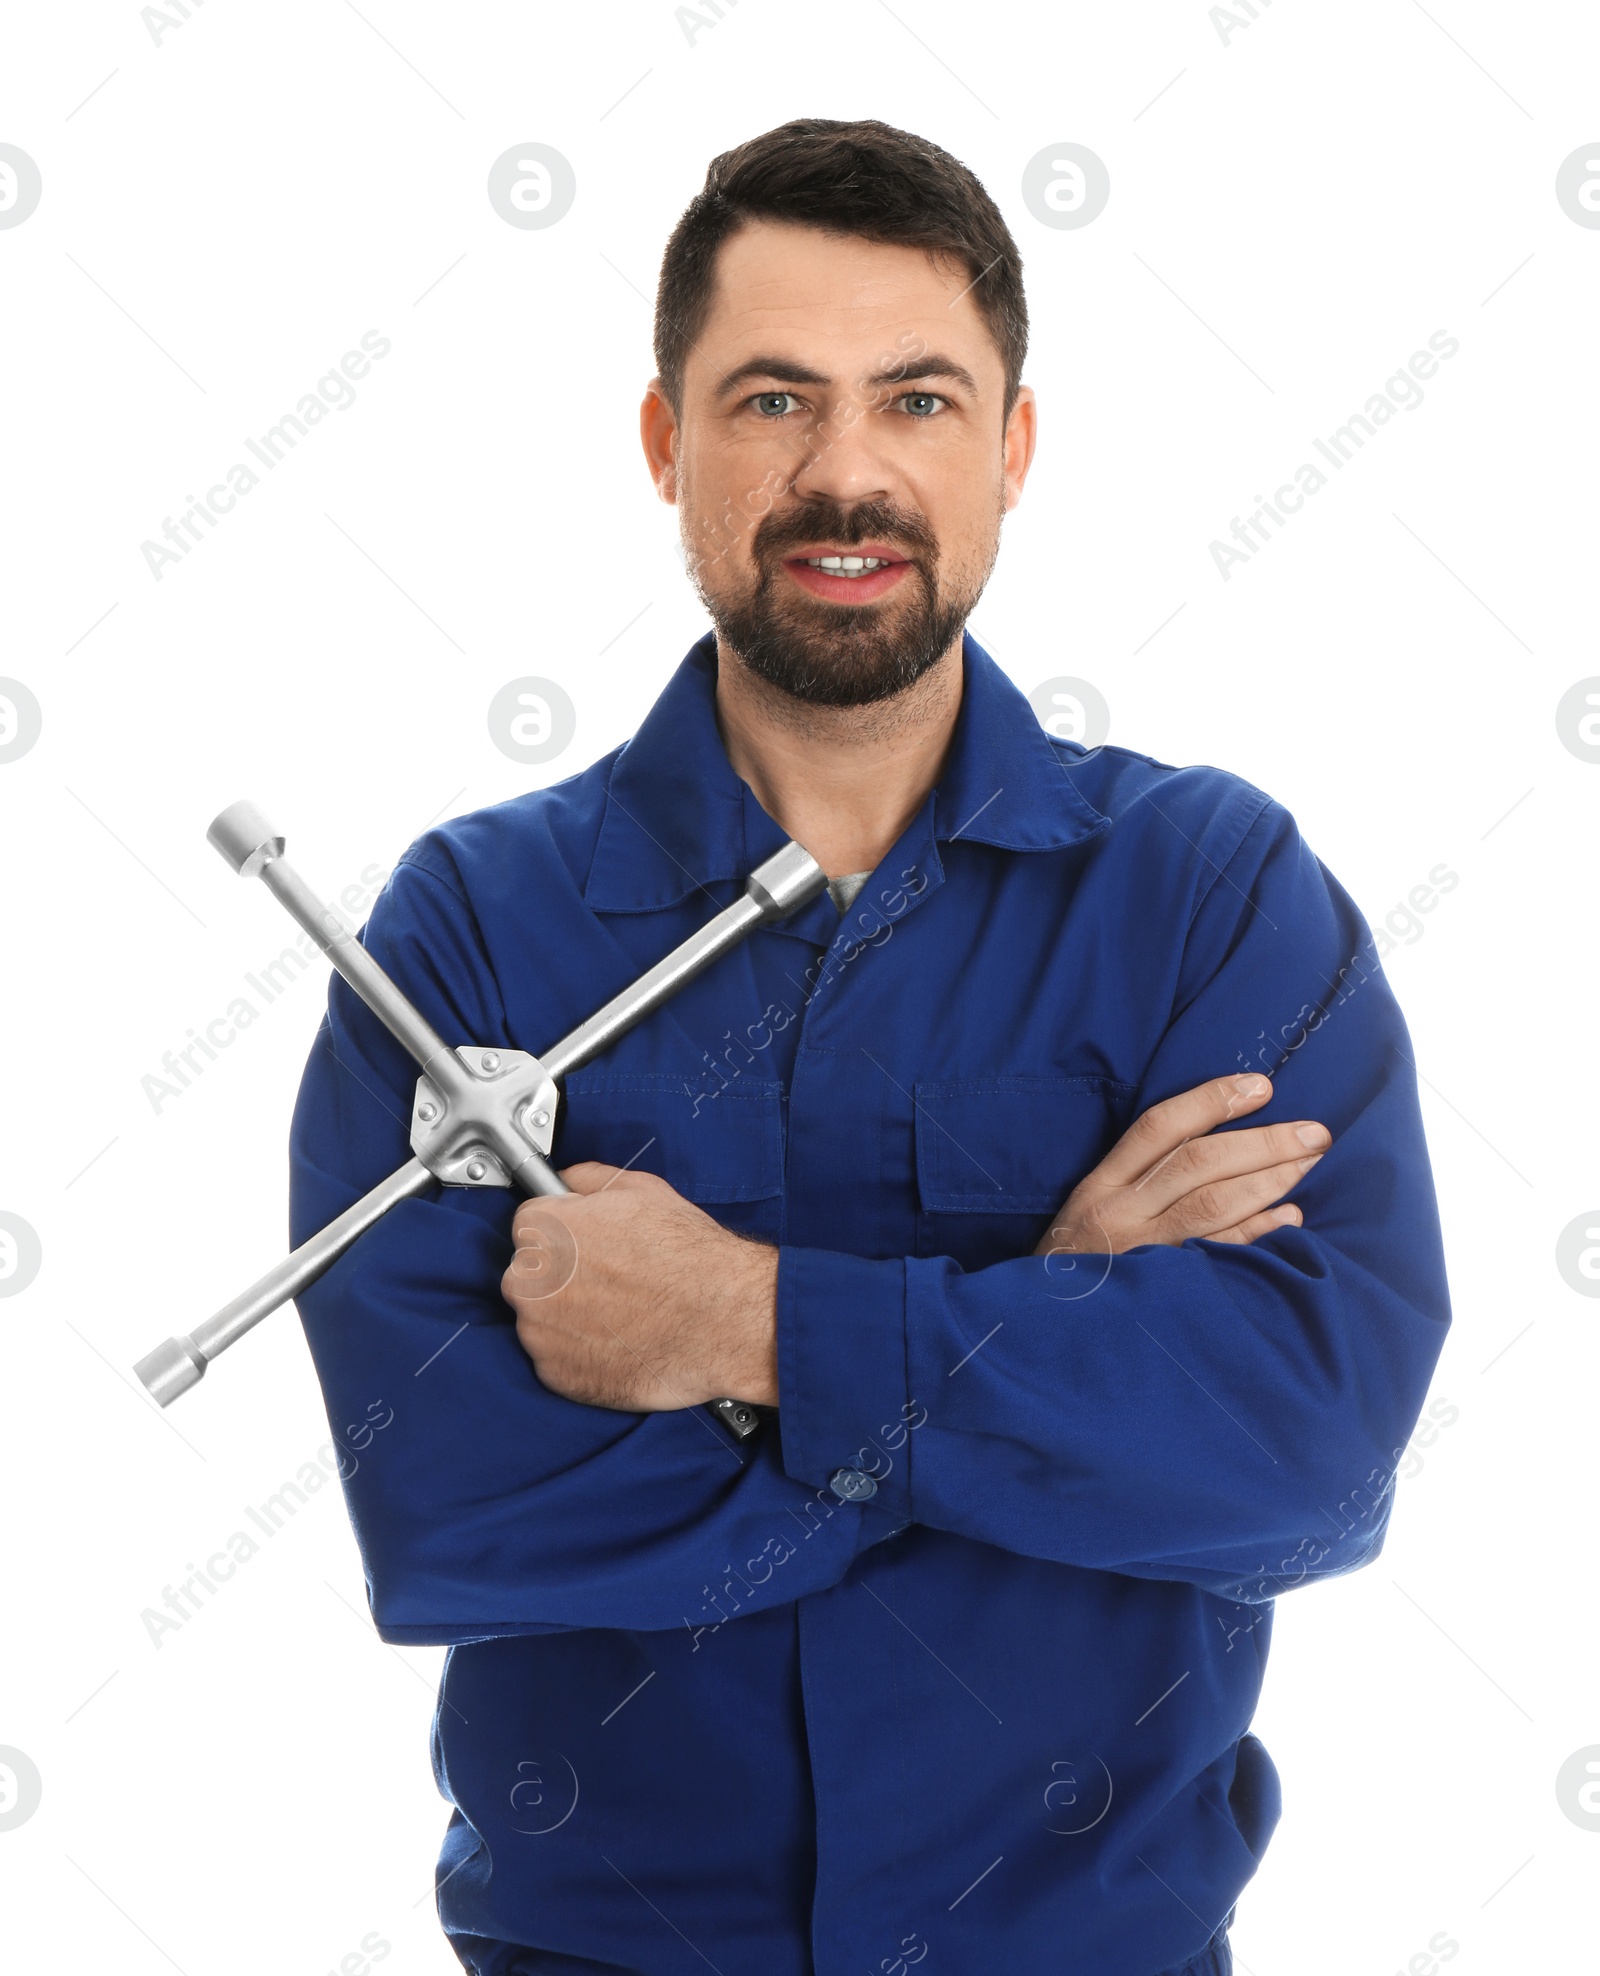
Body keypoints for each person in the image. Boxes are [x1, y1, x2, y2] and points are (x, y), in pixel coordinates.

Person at [289, 118, 1451, 1976]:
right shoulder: (464, 941)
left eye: (917, 399)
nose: (847, 476)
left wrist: (748, 1324)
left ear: (1012, 447)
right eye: (770, 402)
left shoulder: (1211, 897)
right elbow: (460, 1519)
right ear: (667, 442)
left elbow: (1304, 1460)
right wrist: (1052, 1321)